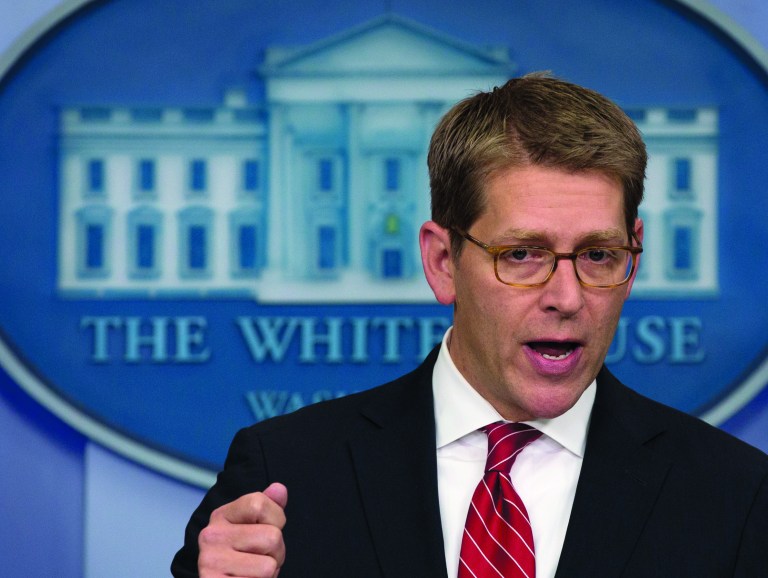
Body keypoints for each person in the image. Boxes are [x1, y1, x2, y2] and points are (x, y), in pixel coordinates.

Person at [172, 74, 768, 578]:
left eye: (598, 256)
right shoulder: (286, 477)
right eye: (522, 255)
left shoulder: (735, 498)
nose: (567, 297)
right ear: (442, 264)